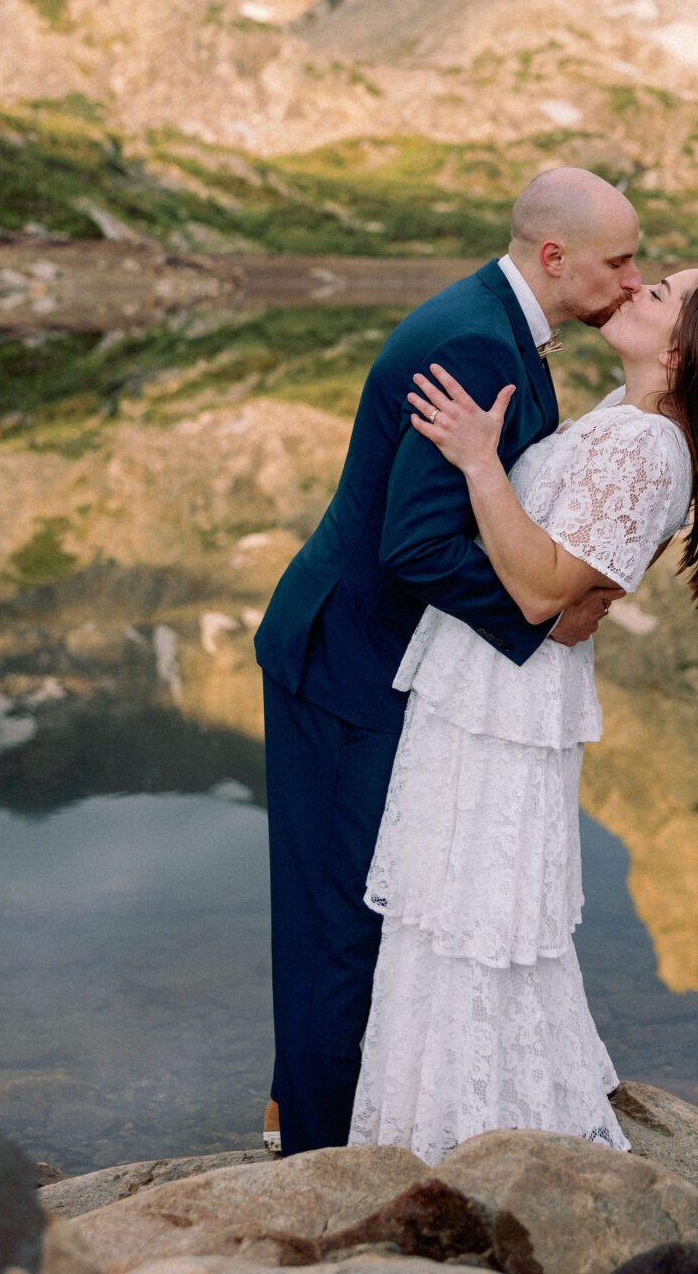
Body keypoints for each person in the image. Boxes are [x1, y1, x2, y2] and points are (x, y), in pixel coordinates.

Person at [347, 264, 698, 1164]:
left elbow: (544, 587)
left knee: (476, 915)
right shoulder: (627, 425)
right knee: (453, 911)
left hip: (505, 702)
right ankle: (448, 1131)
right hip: (489, 690)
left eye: (658, 292)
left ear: (682, 353)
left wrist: (477, 461)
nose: (634, 291)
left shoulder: (646, 446)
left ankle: (474, 1143)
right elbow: (566, 578)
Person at [253, 166, 645, 1156]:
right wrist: (538, 619)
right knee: (345, 917)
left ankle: (303, 1116)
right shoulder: (474, 339)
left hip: (366, 653)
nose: (635, 280)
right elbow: (417, 543)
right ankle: (313, 1161)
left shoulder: (495, 321)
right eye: (620, 260)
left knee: (352, 903)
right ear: (554, 257)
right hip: (347, 660)